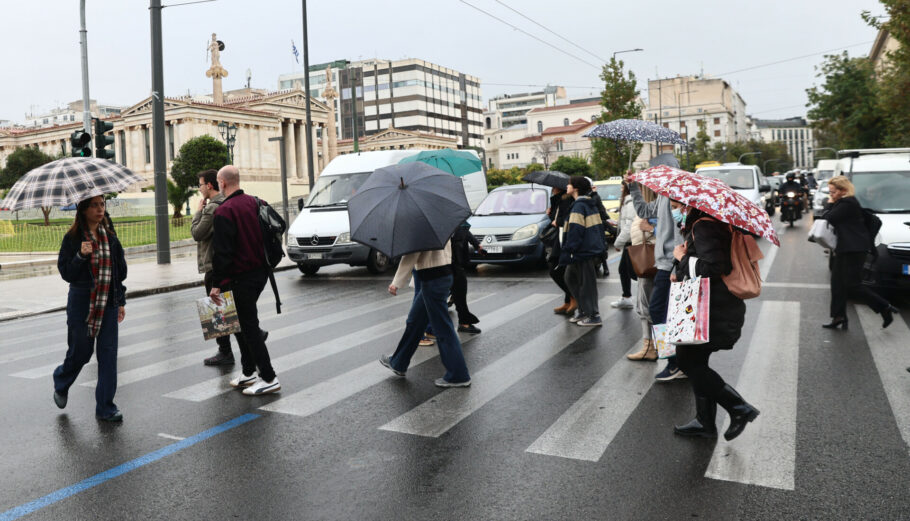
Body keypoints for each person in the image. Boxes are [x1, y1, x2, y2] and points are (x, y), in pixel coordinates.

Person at [671, 205, 759, 441]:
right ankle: (704, 422)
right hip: (715, 307)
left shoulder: (705, 225)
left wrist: (681, 258)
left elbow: (714, 266)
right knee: (697, 361)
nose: (677, 206)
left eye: (679, 202)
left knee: (688, 361)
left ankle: (738, 408)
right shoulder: (714, 222)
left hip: (710, 309)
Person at [53, 195, 127, 422]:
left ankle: (105, 407)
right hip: (82, 303)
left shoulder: (111, 238)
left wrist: (121, 300)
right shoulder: (73, 238)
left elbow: (120, 272)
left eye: (102, 204)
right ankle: (61, 380)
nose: (100, 209)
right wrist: (80, 256)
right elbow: (66, 273)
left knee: (108, 355)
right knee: (81, 352)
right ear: (84, 210)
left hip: (108, 302)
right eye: (94, 205)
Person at [209, 165, 280, 395]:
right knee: (240, 326)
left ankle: (268, 377)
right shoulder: (256, 202)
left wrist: (216, 284)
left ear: (222, 183)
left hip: (240, 278)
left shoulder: (224, 211)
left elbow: (222, 252)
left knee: (249, 328)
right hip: (260, 274)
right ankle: (249, 373)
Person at [381, 240, 471, 387]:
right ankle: (398, 363)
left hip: (433, 279)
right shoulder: (437, 222)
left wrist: (397, 282)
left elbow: (412, 253)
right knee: (415, 321)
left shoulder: (420, 226)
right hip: (439, 277)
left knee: (443, 328)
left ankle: (458, 375)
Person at [626, 172, 686, 380]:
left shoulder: (679, 200)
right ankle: (677, 361)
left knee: (659, 310)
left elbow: (680, 237)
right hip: (663, 263)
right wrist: (633, 187)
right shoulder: (663, 196)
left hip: (671, 265)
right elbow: (643, 210)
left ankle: (674, 361)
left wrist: (653, 227)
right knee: (666, 312)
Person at [822, 176, 898, 329]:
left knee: (852, 284)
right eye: (830, 192)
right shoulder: (843, 202)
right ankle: (839, 316)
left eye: (833, 192)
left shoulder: (848, 203)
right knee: (837, 283)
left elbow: (829, 217)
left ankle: (884, 307)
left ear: (843, 191)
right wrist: (832, 203)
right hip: (846, 247)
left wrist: (829, 204)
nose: (831, 195)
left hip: (854, 249)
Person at [192, 169, 236, 366]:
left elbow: (197, 233)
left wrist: (198, 212)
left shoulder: (211, 208)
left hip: (213, 265)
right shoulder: (226, 202)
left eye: (200, 185)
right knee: (226, 307)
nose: (199, 189)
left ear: (209, 185)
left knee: (218, 310)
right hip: (227, 263)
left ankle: (224, 351)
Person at [559, 176, 605, 327]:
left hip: (583, 251)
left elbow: (576, 230)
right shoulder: (584, 203)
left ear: (576, 188)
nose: (567, 186)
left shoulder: (580, 205)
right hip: (585, 249)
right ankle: (584, 309)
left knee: (587, 284)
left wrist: (569, 249)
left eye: (569, 184)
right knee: (570, 277)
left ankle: (593, 314)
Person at [626, 186, 659, 361]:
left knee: (647, 306)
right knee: (645, 305)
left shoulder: (659, 207)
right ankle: (650, 346)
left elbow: (671, 235)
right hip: (649, 260)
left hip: (653, 262)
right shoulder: (655, 205)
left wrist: (651, 229)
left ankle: (652, 348)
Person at [450, 220, 483, 334]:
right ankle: (424, 329)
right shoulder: (439, 219)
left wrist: (476, 244)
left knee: (460, 290)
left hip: (455, 261)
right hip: (445, 263)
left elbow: (464, 230)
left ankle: (464, 321)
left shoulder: (454, 218)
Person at [548, 186, 576, 315]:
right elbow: (555, 218)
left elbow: (563, 220)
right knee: (559, 269)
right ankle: (568, 300)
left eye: (554, 187)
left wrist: (555, 220)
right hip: (559, 239)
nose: (552, 189)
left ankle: (573, 297)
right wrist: (550, 214)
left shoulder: (568, 200)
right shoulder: (558, 200)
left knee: (557, 271)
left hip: (564, 239)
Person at [611, 181, 635, 310]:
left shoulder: (630, 203)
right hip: (629, 241)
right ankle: (626, 297)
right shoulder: (627, 202)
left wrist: (618, 242)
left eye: (622, 187)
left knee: (635, 272)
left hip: (631, 242)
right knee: (624, 270)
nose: (620, 190)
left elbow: (629, 225)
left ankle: (628, 298)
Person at [589, 182, 611, 277]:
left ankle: (605, 267)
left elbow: (593, 204)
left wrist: (594, 193)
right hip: (590, 224)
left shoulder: (595, 196)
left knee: (600, 245)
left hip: (598, 223)